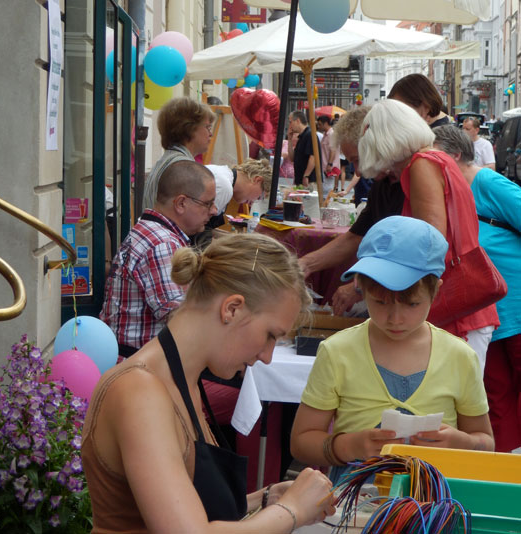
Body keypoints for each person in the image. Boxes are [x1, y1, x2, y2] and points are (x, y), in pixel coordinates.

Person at [83, 233, 337, 533]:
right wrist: (291, 510)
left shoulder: (183, 380)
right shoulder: (140, 391)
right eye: (270, 335)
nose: (268, 356)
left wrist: (264, 499)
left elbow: (183, 501)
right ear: (232, 308)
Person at [291, 216, 494, 484]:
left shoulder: (460, 356)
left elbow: (486, 442)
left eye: (412, 304)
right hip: (357, 502)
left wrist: (462, 442)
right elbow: (301, 441)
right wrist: (348, 446)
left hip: (432, 506)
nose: (395, 319)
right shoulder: (337, 351)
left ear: (435, 292)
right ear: (360, 288)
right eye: (380, 302)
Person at [358, 99, 499, 370]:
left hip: (456, 308)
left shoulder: (422, 165)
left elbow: (431, 242)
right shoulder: (437, 159)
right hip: (464, 304)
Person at [433, 124, 521, 452]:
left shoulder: (486, 181)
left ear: (455, 156)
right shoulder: (450, 192)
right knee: (494, 397)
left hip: (516, 302)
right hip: (487, 308)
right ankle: (504, 470)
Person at [101, 161, 218, 357]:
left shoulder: (151, 231)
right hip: (143, 369)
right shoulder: (163, 245)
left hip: (136, 360)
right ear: (181, 203)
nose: (214, 210)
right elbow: (182, 321)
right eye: (208, 203)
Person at [299, 106, 403, 313]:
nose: (357, 170)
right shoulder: (382, 184)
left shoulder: (414, 177)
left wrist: (359, 287)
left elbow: (409, 252)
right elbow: (356, 236)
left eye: (357, 159)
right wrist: (305, 264)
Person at [143, 97, 215, 210]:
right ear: (188, 128)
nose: (211, 134)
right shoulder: (182, 168)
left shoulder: (169, 160)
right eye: (207, 127)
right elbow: (186, 218)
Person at [287, 110, 321, 187]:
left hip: (309, 180)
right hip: (300, 179)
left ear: (298, 121)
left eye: (291, 122)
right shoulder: (301, 137)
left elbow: (313, 157)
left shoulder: (309, 135)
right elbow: (292, 158)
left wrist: (306, 175)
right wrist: (289, 140)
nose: (290, 125)